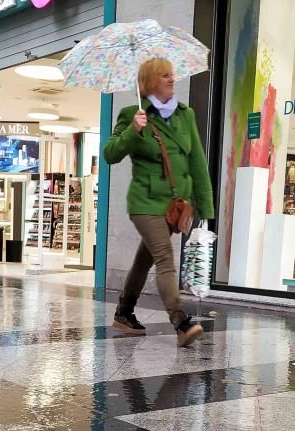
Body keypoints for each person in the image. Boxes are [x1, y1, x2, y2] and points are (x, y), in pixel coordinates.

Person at [104, 58, 215, 347]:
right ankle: (181, 322)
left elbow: (197, 162)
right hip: (145, 201)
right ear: (150, 81)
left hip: (174, 206)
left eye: (172, 74)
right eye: (165, 75)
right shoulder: (133, 113)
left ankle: (124, 312)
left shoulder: (185, 115)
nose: (171, 79)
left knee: (144, 260)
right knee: (165, 256)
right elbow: (110, 154)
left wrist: (204, 207)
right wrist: (133, 131)